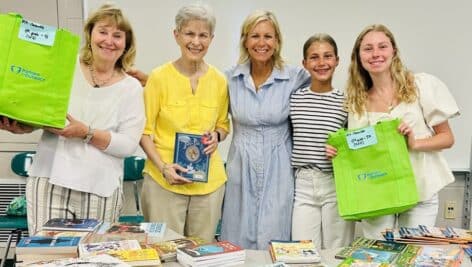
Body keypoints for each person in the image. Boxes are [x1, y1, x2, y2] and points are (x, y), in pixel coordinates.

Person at [0, 4, 145, 234]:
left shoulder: (132, 88)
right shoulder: (63, 68)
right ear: (90, 34)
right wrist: (22, 126)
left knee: (92, 259)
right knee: (45, 258)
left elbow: (128, 144)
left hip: (101, 190)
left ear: (126, 44)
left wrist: (86, 133)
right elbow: (41, 114)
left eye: (117, 35)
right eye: (103, 31)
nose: (109, 40)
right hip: (50, 182)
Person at [327, 24, 460, 239]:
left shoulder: (420, 85)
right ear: (359, 57)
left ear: (393, 51)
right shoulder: (357, 102)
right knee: (378, 257)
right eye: (368, 49)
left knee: (413, 256)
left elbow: (447, 138)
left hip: (421, 191)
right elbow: (359, 149)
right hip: (378, 194)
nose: (376, 54)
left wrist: (415, 142)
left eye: (382, 46)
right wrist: (338, 152)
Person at [220, 10, 310, 250]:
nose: (262, 43)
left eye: (268, 37)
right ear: (245, 41)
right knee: (237, 237)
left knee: (277, 237)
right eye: (255, 36)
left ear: (277, 41)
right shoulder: (229, 78)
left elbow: (323, 94)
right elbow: (198, 99)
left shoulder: (296, 77)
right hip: (241, 166)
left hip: (279, 167)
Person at [139, 3, 229, 242]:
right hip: (163, 183)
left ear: (211, 38)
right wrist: (163, 167)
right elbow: (144, 132)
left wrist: (217, 137)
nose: (196, 42)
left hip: (208, 186)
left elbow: (223, 124)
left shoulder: (219, 80)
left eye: (203, 35)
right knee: (163, 253)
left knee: (202, 254)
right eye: (189, 33)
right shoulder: (158, 78)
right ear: (176, 35)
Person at [290, 34, 354, 249]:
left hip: (335, 183)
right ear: (305, 63)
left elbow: (356, 142)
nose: (321, 63)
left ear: (337, 60)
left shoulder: (346, 101)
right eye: (314, 57)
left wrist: (343, 148)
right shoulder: (294, 98)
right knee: (303, 250)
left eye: (327, 56)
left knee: (337, 250)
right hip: (303, 183)